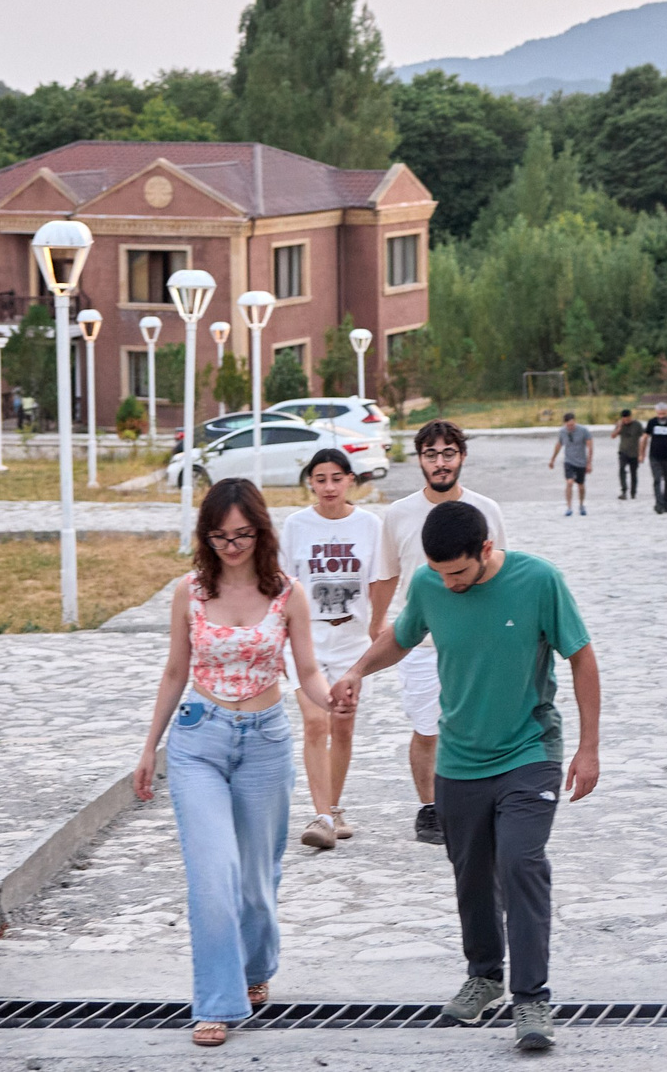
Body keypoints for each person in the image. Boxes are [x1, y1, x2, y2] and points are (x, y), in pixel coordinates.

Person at [329, 501, 599, 1056]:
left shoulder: (539, 580)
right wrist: (356, 669)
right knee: (471, 876)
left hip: (529, 750)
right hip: (459, 760)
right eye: (439, 572)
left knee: (521, 863)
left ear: (485, 550)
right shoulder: (430, 585)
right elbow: (402, 636)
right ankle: (485, 976)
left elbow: (581, 657)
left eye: (458, 572)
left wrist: (589, 747)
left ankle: (531, 996)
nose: (448, 583)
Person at [133, 479, 332, 1047]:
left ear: (261, 532)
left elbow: (308, 671)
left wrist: (330, 698)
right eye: (219, 536)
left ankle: (256, 967)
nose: (231, 545)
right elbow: (175, 671)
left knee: (255, 879)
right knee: (212, 875)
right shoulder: (189, 592)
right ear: (205, 536)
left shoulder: (288, 593)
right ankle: (216, 1001)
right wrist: (150, 746)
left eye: (242, 534)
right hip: (199, 738)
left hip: (266, 741)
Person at [368, 420, 506, 846]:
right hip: (421, 643)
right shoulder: (398, 514)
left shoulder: (487, 511)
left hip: (476, 641)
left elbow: (500, 571)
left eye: (448, 453)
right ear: (420, 460)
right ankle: (431, 809)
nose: (440, 463)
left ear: (462, 456)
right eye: (431, 454)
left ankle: (483, 801)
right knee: (427, 728)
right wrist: (377, 625)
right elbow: (387, 573)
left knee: (478, 725)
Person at [277, 448, 383, 851]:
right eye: (320, 479)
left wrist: (378, 625)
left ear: (351, 480)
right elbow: (283, 584)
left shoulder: (370, 525)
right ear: (310, 483)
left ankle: (333, 807)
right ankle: (321, 817)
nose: (328, 487)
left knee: (342, 725)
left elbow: (379, 580)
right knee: (315, 722)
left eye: (336, 478)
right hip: (308, 639)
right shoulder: (296, 526)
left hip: (352, 640)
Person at [640, 402, 667, 514]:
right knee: (657, 479)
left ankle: (666, 503)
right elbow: (644, 438)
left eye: (663, 414)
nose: (661, 416)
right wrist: (641, 453)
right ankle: (659, 504)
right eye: (659, 414)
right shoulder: (652, 422)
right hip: (654, 456)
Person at [548, 413, 594, 517]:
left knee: (580, 485)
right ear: (565, 424)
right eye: (568, 425)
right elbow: (559, 445)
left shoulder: (583, 431)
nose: (571, 427)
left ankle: (581, 505)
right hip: (569, 461)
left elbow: (590, 446)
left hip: (581, 462)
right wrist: (552, 459)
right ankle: (569, 507)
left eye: (572, 425)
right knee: (569, 482)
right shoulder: (562, 432)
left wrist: (589, 463)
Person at [612, 409, 641, 500]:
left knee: (633, 473)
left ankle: (633, 492)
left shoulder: (637, 425)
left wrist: (641, 453)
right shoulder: (620, 424)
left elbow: (643, 437)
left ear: (630, 417)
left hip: (634, 452)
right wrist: (619, 428)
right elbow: (613, 436)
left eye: (628, 418)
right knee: (621, 469)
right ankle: (624, 491)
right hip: (623, 451)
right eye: (624, 419)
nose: (626, 421)